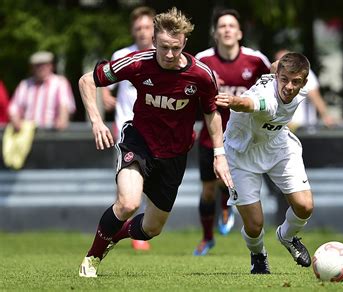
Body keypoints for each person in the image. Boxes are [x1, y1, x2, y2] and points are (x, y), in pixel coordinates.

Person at [78, 7, 233, 278]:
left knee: (152, 229)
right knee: (128, 203)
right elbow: (86, 81)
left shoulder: (201, 75)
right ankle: (92, 257)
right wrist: (96, 120)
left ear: (184, 43)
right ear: (154, 42)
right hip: (138, 142)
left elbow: (211, 113)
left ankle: (115, 236)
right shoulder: (137, 63)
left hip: (175, 154)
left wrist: (219, 153)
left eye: (175, 47)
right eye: (164, 48)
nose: (170, 54)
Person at [215, 52, 314, 274]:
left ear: (304, 82)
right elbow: (248, 104)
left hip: (278, 146)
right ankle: (258, 255)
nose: (289, 86)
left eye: (295, 81)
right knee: (254, 224)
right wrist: (233, 101)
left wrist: (278, 66)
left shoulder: (299, 85)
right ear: (278, 76)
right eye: (284, 79)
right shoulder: (267, 98)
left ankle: (287, 237)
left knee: (305, 206)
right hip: (241, 152)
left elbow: (276, 64)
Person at [193, 8, 272, 256]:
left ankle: (227, 203)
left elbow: (272, 91)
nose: (227, 29)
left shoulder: (256, 61)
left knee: (225, 181)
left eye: (231, 26)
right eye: (222, 26)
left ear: (239, 33)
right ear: (215, 33)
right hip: (211, 136)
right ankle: (207, 238)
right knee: (207, 189)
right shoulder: (202, 61)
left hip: (243, 139)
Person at [101, 6, 156, 252]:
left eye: (147, 27)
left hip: (156, 131)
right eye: (138, 28)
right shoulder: (124, 54)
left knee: (148, 183)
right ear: (132, 31)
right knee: (129, 183)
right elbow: (101, 77)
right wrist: (105, 95)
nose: (143, 32)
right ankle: (125, 231)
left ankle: (132, 228)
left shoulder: (163, 56)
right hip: (127, 129)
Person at [8, 51, 76, 131]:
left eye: (44, 65)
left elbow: (65, 105)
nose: (41, 68)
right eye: (38, 66)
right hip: (27, 132)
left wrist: (62, 119)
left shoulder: (60, 83)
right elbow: (14, 107)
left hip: (52, 132)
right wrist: (16, 119)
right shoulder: (25, 85)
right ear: (32, 68)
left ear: (51, 66)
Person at [274, 49, 337, 129]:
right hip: (282, 128)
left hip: (302, 127)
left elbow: (314, 95)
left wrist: (326, 116)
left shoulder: (303, 72)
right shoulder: (274, 76)